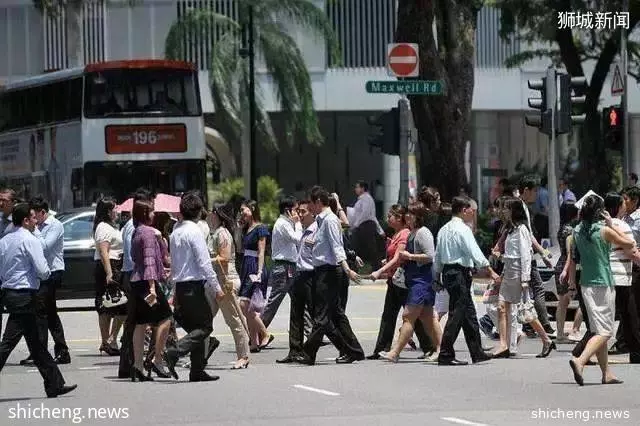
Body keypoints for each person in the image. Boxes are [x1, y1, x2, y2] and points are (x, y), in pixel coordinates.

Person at [0, 203, 76, 398]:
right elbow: (43, 271)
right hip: (25, 295)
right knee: (10, 343)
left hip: (9, 293)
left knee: (36, 344)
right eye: (33, 218)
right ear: (25, 220)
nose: (36, 222)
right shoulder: (30, 240)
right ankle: (54, 384)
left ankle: (54, 384)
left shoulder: (5, 240)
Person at [293, 186, 365, 365]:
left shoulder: (330, 220)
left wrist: (347, 269)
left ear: (318, 202)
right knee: (335, 314)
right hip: (322, 271)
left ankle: (309, 353)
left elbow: (337, 247)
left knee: (321, 315)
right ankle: (354, 350)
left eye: (310, 203)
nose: (309, 207)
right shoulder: (320, 220)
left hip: (329, 272)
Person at [569, 195, 634, 386]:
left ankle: (606, 373)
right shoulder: (605, 231)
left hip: (586, 283)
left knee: (598, 329)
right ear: (600, 211)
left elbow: (574, 257)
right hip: (603, 284)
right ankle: (579, 360)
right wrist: (611, 224)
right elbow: (629, 244)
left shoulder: (577, 230)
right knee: (606, 332)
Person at [164, 193, 223, 382]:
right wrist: (217, 288)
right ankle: (175, 351)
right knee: (205, 327)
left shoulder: (175, 230)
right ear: (198, 212)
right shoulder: (194, 231)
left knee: (196, 328)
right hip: (193, 286)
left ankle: (197, 370)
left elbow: (174, 263)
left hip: (181, 285)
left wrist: (174, 290)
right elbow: (204, 262)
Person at [434, 196, 498, 366]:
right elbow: (474, 251)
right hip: (459, 273)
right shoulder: (462, 229)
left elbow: (438, 256)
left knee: (469, 314)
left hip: (449, 272)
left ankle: (477, 352)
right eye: (470, 209)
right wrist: (489, 270)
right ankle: (446, 353)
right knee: (457, 313)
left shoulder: (444, 229)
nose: (472, 212)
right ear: (463, 210)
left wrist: (436, 276)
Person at [367, 204, 434, 360]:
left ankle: (429, 346)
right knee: (391, 315)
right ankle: (382, 348)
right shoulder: (397, 233)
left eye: (391, 215)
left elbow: (400, 257)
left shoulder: (405, 234)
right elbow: (394, 256)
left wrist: (379, 271)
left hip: (403, 280)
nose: (388, 218)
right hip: (395, 279)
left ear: (399, 218)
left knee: (412, 316)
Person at [492, 198, 555, 358]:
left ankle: (546, 339)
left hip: (518, 273)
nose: (504, 211)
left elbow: (526, 255)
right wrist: (500, 257)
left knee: (525, 310)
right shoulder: (510, 230)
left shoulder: (521, 230)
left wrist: (525, 278)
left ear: (515, 211)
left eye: (507, 208)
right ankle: (503, 344)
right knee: (502, 307)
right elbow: (511, 255)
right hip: (509, 271)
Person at [18, 197, 70, 366]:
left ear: (42, 212)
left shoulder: (54, 225)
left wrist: (35, 230)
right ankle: (56, 351)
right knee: (48, 312)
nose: (34, 219)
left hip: (53, 272)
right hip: (40, 274)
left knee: (42, 312)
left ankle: (43, 352)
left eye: (35, 215)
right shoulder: (35, 226)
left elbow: (45, 246)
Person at [129, 199, 174, 381]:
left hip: (136, 282)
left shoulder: (137, 231)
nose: (154, 214)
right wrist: (153, 287)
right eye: (151, 211)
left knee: (140, 324)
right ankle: (157, 359)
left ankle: (137, 367)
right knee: (165, 318)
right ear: (144, 213)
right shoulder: (147, 233)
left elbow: (137, 257)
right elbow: (149, 261)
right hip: (147, 285)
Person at [207, 203, 251, 370]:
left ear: (218, 214)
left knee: (233, 320)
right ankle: (200, 356)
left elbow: (224, 258)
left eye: (212, 212)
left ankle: (243, 355)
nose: (209, 214)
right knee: (205, 320)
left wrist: (205, 260)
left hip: (226, 282)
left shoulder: (223, 234)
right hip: (214, 281)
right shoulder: (214, 233)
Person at [277, 200, 315, 364]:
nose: (299, 215)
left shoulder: (315, 229)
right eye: (297, 211)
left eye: (303, 212)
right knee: (295, 315)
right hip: (299, 273)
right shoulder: (302, 229)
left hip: (312, 274)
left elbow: (298, 240)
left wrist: (298, 224)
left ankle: (347, 347)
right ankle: (295, 350)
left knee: (317, 315)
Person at [261, 196, 302, 328]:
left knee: (300, 300)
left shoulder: (287, 223)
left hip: (290, 266)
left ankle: (308, 331)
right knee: (273, 303)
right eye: (296, 210)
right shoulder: (283, 224)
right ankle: (258, 332)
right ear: (288, 211)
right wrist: (298, 224)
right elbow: (297, 239)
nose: (298, 213)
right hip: (283, 268)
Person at [237, 200, 273, 352]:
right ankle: (254, 341)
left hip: (255, 266)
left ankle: (264, 333)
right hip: (246, 264)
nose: (241, 213)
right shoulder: (246, 228)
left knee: (244, 304)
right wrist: (239, 229)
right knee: (247, 305)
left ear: (252, 209)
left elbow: (262, 251)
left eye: (243, 209)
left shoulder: (261, 228)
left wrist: (259, 271)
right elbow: (239, 248)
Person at [93, 197, 127, 356]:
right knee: (109, 304)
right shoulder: (103, 227)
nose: (117, 211)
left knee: (117, 305)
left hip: (115, 264)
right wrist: (109, 273)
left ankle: (109, 340)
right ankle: (107, 340)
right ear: (108, 211)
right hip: (109, 266)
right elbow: (103, 252)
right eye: (115, 208)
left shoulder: (111, 226)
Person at [347, 181, 385, 270]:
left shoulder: (366, 198)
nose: (355, 189)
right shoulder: (361, 199)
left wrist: (356, 225)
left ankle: (377, 268)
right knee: (361, 248)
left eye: (357, 187)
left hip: (365, 226)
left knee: (370, 249)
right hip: (363, 226)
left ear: (362, 188)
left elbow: (365, 214)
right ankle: (356, 268)